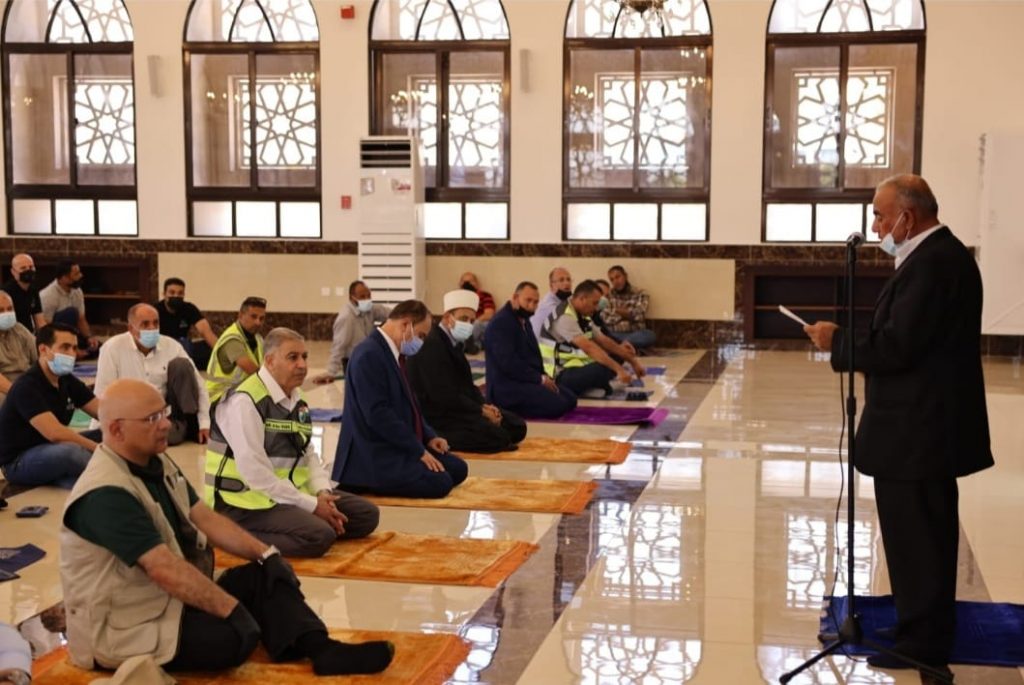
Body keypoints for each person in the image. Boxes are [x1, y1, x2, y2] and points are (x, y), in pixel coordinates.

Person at [59, 378, 393, 675]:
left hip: (162, 599)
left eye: (165, 413)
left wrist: (267, 554)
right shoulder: (105, 493)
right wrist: (230, 609)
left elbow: (204, 516)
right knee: (232, 637)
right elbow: (164, 569)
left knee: (266, 576)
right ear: (116, 430)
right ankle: (271, 631)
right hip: (125, 624)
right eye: (152, 418)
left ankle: (322, 650)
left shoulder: (153, 460)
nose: (166, 424)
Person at [804, 174, 993, 677]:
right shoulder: (935, 257)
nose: (875, 227)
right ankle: (916, 627)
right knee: (915, 539)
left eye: (880, 215)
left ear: (907, 217)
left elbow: (897, 347)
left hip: (920, 431)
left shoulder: (934, 263)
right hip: (918, 428)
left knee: (920, 541)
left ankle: (924, 643)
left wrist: (838, 340)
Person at [206, 327, 379, 558]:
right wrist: (311, 505)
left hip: (286, 493)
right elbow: (255, 474)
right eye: (293, 357)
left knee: (366, 515)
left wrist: (322, 492)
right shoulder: (245, 401)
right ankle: (225, 533)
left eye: (304, 357)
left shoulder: (297, 399)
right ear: (270, 361)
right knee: (319, 536)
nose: (302, 365)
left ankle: (302, 520)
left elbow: (308, 453)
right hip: (244, 502)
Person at [332, 300, 469, 498]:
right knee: (441, 481)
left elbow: (411, 404)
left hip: (397, 443)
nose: (421, 342)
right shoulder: (369, 355)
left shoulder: (393, 352)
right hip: (374, 452)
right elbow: (379, 416)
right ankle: (365, 483)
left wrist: (429, 437)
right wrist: (418, 450)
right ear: (406, 325)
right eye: (421, 335)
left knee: (457, 468)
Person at [407, 289, 526, 453]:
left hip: (460, 407)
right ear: (447, 317)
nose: (468, 324)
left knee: (517, 426)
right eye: (463, 319)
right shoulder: (432, 345)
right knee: (498, 437)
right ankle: (432, 437)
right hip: (439, 415)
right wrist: (479, 411)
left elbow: (468, 386)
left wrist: (485, 406)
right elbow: (444, 396)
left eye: (471, 320)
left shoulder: (454, 343)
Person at [93, 304, 210, 446]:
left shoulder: (171, 346)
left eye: (156, 323)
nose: (152, 328)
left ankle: (188, 425)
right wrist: (102, 430)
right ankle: (170, 433)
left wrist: (204, 423)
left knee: (181, 365)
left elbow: (199, 384)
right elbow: (103, 394)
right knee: (146, 436)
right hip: (132, 417)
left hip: (167, 414)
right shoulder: (112, 348)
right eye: (145, 324)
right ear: (131, 328)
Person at [0, 323, 100, 489]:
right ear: (43, 350)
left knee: (108, 434)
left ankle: (79, 479)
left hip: (51, 448)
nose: (71, 354)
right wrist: (101, 450)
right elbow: (55, 433)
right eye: (65, 347)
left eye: (74, 348)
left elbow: (101, 411)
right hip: (19, 461)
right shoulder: (26, 386)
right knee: (71, 451)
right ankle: (110, 474)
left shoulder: (66, 379)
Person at [483, 281, 577, 419]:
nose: (532, 305)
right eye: (528, 300)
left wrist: (545, 377)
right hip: (506, 386)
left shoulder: (524, 320)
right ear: (515, 298)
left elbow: (533, 356)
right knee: (559, 404)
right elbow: (508, 364)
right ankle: (508, 409)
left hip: (526, 379)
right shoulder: (501, 323)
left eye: (535, 302)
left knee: (570, 399)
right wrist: (539, 379)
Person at [538, 280, 646, 398]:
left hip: (577, 365)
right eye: (594, 303)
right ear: (582, 299)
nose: (596, 308)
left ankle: (590, 387)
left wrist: (633, 361)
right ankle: (591, 388)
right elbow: (589, 348)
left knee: (616, 355)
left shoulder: (582, 315)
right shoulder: (564, 317)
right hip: (559, 375)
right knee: (603, 367)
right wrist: (619, 370)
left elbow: (604, 340)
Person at [313, 280, 391, 382]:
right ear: (352, 298)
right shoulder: (346, 318)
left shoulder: (369, 310)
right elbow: (339, 346)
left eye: (369, 296)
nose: (367, 299)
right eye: (362, 297)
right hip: (353, 363)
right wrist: (331, 372)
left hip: (367, 358)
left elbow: (389, 313)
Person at [207, 296, 267, 404]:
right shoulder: (232, 339)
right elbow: (251, 369)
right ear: (240, 315)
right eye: (253, 317)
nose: (258, 322)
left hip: (238, 394)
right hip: (219, 399)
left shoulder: (258, 339)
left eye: (261, 318)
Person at [38, 260, 99, 359]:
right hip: (54, 335)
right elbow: (46, 328)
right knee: (70, 313)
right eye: (76, 274)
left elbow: (81, 319)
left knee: (97, 348)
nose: (81, 276)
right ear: (64, 278)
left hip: (72, 331)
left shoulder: (77, 291)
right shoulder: (48, 295)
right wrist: (71, 347)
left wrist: (89, 337)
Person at [156, 277, 219, 371]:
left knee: (207, 348)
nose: (176, 296)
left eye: (180, 293)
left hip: (183, 347)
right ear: (164, 294)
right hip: (162, 347)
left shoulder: (189, 308)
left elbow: (206, 331)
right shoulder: (155, 310)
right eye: (172, 292)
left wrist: (222, 353)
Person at [602, 265, 656, 349]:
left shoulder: (641, 293)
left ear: (625, 276)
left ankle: (617, 346)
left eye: (618, 277)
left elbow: (639, 316)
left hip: (635, 333)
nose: (616, 282)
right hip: (614, 333)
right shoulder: (608, 296)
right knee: (604, 335)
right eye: (612, 279)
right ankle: (625, 347)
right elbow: (606, 319)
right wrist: (628, 314)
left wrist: (617, 313)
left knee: (649, 336)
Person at [0, 291, 37, 407]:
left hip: (26, 380)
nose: (6, 314)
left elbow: (40, 358)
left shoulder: (19, 329)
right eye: (1, 310)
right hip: (5, 386)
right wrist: (19, 393)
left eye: (10, 309)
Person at [2, 253, 46, 332]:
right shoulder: (6, 293)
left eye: (31, 267)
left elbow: (39, 321)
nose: (28, 271)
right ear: (13, 272)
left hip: (28, 333)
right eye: (23, 268)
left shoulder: (33, 290)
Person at [457, 272, 495, 354]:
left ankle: (464, 344)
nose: (467, 284)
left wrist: (473, 322)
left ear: (476, 284)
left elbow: (489, 314)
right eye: (464, 281)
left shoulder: (485, 295)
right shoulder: (457, 297)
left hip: (478, 324)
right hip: (463, 325)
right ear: (460, 284)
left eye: (470, 281)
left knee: (478, 324)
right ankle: (475, 345)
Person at [531, 267, 573, 338]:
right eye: (561, 280)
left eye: (568, 279)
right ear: (551, 285)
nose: (566, 283)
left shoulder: (563, 301)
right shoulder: (549, 306)